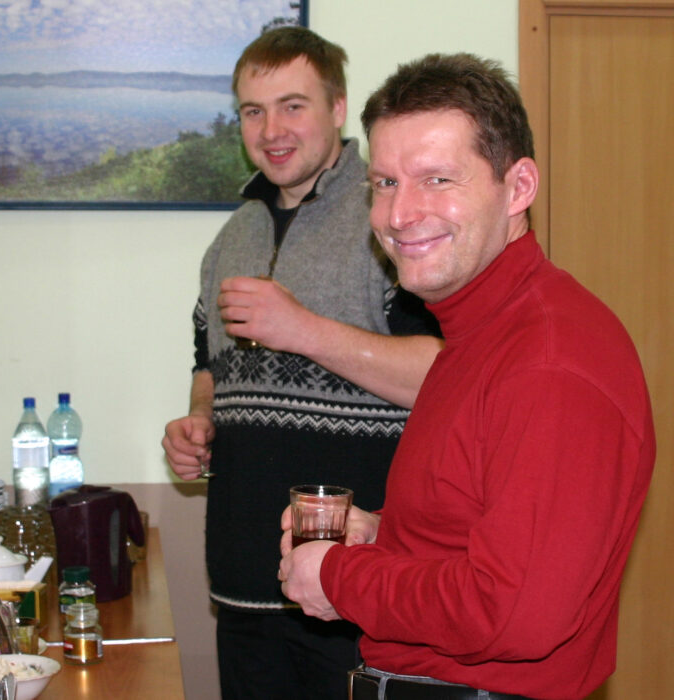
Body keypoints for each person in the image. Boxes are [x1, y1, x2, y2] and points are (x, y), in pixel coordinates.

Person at [279, 53, 656, 700]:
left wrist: (340, 577)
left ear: (519, 187)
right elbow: (478, 531)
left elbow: (514, 612)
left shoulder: (549, 359)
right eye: (385, 182)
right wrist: (383, 537)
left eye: (437, 179)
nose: (399, 214)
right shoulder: (479, 334)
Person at [161, 27, 443, 700]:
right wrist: (198, 422)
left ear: (338, 109)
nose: (271, 130)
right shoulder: (231, 236)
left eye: (293, 106)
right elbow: (207, 359)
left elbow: (443, 375)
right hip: (241, 588)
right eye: (253, 111)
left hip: (357, 587)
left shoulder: (390, 220)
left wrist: (305, 330)